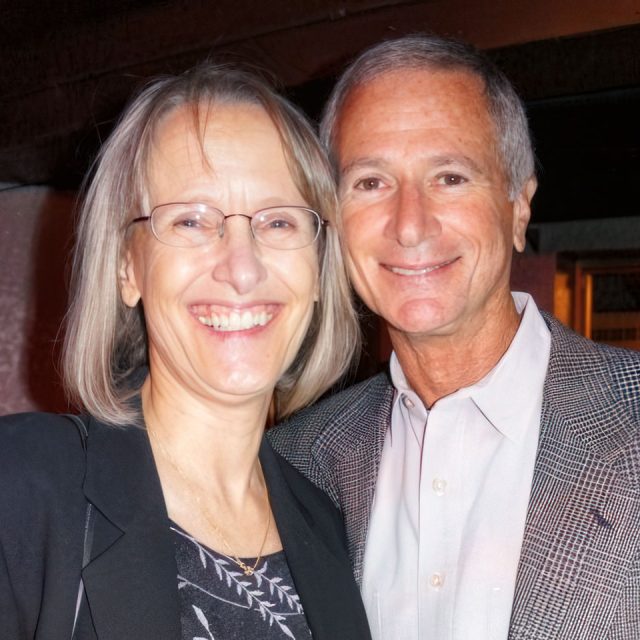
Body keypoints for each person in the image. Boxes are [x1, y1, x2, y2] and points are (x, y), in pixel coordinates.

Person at [268, 35, 640, 639]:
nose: (410, 225)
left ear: (518, 207)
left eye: (449, 176)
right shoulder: (293, 465)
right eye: (370, 182)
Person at [0, 63, 371, 640]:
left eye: (277, 221)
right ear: (128, 266)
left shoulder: (327, 525)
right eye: (193, 221)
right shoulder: (21, 487)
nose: (243, 268)